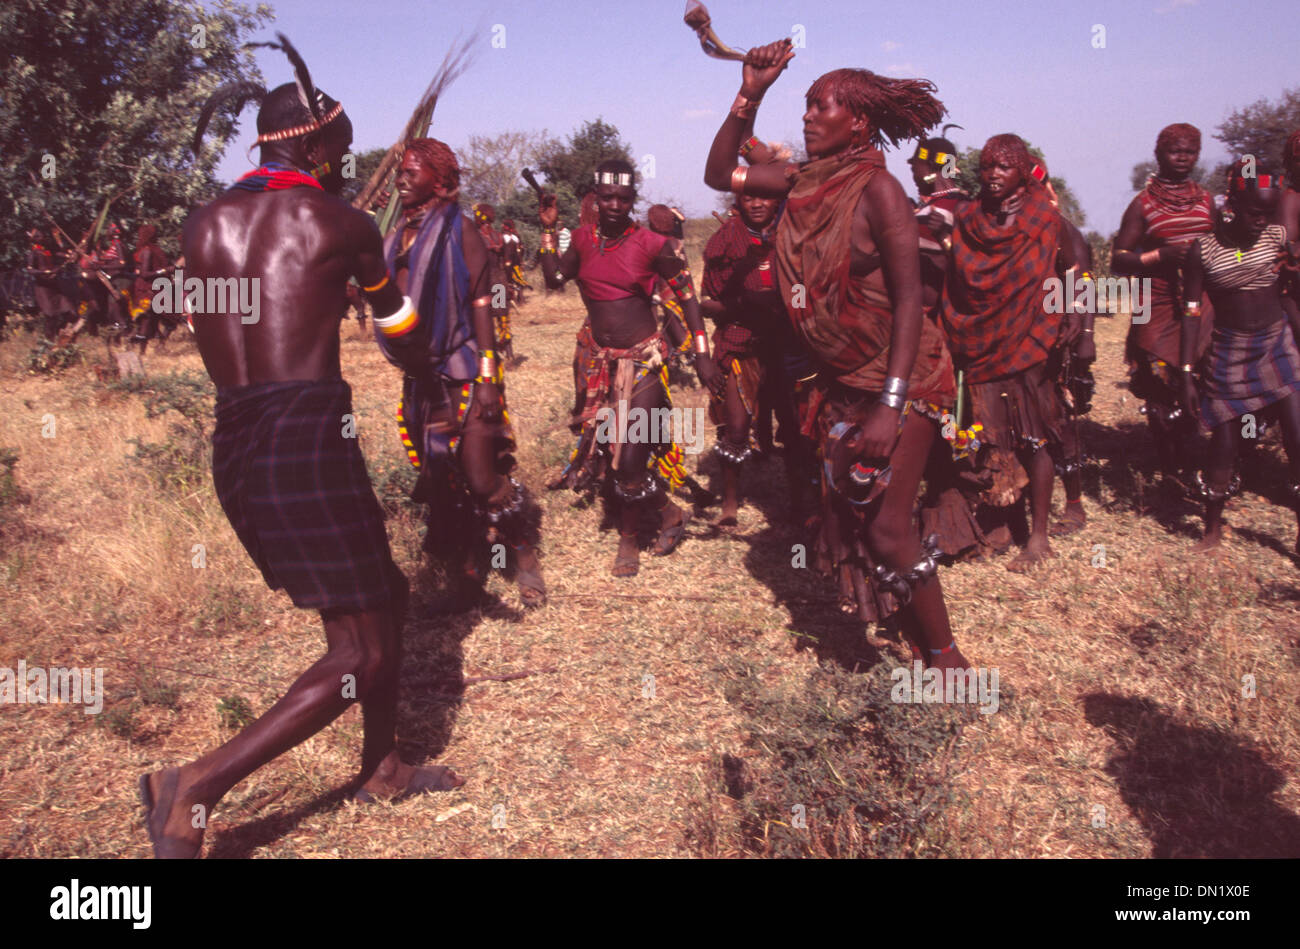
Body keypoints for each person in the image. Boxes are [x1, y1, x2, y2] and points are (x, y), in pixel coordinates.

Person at [138, 37, 461, 859]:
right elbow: (401, 334)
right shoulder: (344, 223)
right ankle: (195, 787)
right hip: (308, 434)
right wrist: (432, 359)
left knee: (384, 592)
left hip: (236, 437)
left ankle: (383, 765)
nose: (346, 167)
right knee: (363, 648)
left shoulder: (201, 221)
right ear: (313, 145)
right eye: (340, 152)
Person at [704, 40, 971, 668]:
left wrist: (889, 405)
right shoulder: (800, 181)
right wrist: (752, 91)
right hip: (844, 377)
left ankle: (949, 664)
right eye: (803, 105)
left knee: (885, 526)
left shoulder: (878, 190)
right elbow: (719, 173)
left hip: (900, 379)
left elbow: (911, 300)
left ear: (857, 121)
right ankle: (919, 645)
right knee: (865, 517)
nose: (806, 117)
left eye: (819, 106)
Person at [378, 138, 546, 607]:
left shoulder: (460, 229)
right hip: (422, 379)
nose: (402, 177)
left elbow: (481, 304)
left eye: (413, 170)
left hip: (468, 370)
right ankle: (472, 564)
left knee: (479, 475)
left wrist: (490, 377)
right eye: (399, 171)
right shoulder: (394, 236)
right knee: (445, 479)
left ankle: (525, 554)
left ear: (440, 177)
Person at [539, 159, 724, 576]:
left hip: (643, 362)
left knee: (630, 459)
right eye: (608, 198)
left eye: (624, 198)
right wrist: (549, 230)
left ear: (632, 200)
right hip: (601, 363)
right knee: (617, 458)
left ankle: (628, 540)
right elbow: (553, 279)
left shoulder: (651, 244)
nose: (616, 205)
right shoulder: (583, 240)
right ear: (596, 198)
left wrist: (703, 353)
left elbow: (687, 297)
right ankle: (669, 513)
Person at [939, 134, 1083, 572]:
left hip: (1032, 340)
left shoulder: (1045, 217)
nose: (993, 175)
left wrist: (1075, 311)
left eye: (1003, 167)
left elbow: (1074, 263)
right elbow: (956, 278)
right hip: (979, 340)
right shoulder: (967, 217)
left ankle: (1037, 536)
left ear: (1022, 170)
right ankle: (1003, 520)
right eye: (986, 166)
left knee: (1035, 435)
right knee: (988, 435)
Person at [1180, 161, 1300, 551]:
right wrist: (1184, 373)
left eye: (1267, 214)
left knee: (1297, 434)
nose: (1260, 222)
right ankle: (1212, 528)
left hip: (1276, 345)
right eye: (1253, 213)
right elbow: (1191, 313)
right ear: (1231, 204)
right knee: (1225, 442)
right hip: (1229, 352)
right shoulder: (1204, 250)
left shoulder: (1278, 237)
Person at [1113, 124, 1217, 490]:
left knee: (1200, 381)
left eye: (1190, 151)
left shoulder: (1206, 200)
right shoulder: (1142, 204)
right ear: (1159, 154)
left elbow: (1220, 248)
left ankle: (1193, 459)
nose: (1183, 157)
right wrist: (1161, 255)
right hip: (1155, 302)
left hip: (1200, 303)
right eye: (1176, 151)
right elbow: (1119, 259)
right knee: (1158, 384)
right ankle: (1170, 467)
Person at [700, 191, 810, 523]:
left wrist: (792, 304)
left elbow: (804, 287)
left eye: (764, 198)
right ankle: (730, 503)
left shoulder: (793, 236)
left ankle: (802, 503)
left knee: (797, 428)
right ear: (738, 201)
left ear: (778, 200)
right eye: (749, 198)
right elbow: (705, 302)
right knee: (735, 428)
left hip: (789, 342)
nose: (758, 203)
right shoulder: (725, 242)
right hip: (740, 342)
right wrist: (743, 305)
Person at [130, 224, 174, 354]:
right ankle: (140, 351)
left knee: (158, 319)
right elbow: (144, 274)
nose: (157, 237)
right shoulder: (148, 251)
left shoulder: (147, 250)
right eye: (155, 234)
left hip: (152, 289)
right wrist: (164, 270)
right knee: (149, 320)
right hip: (147, 290)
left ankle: (152, 347)